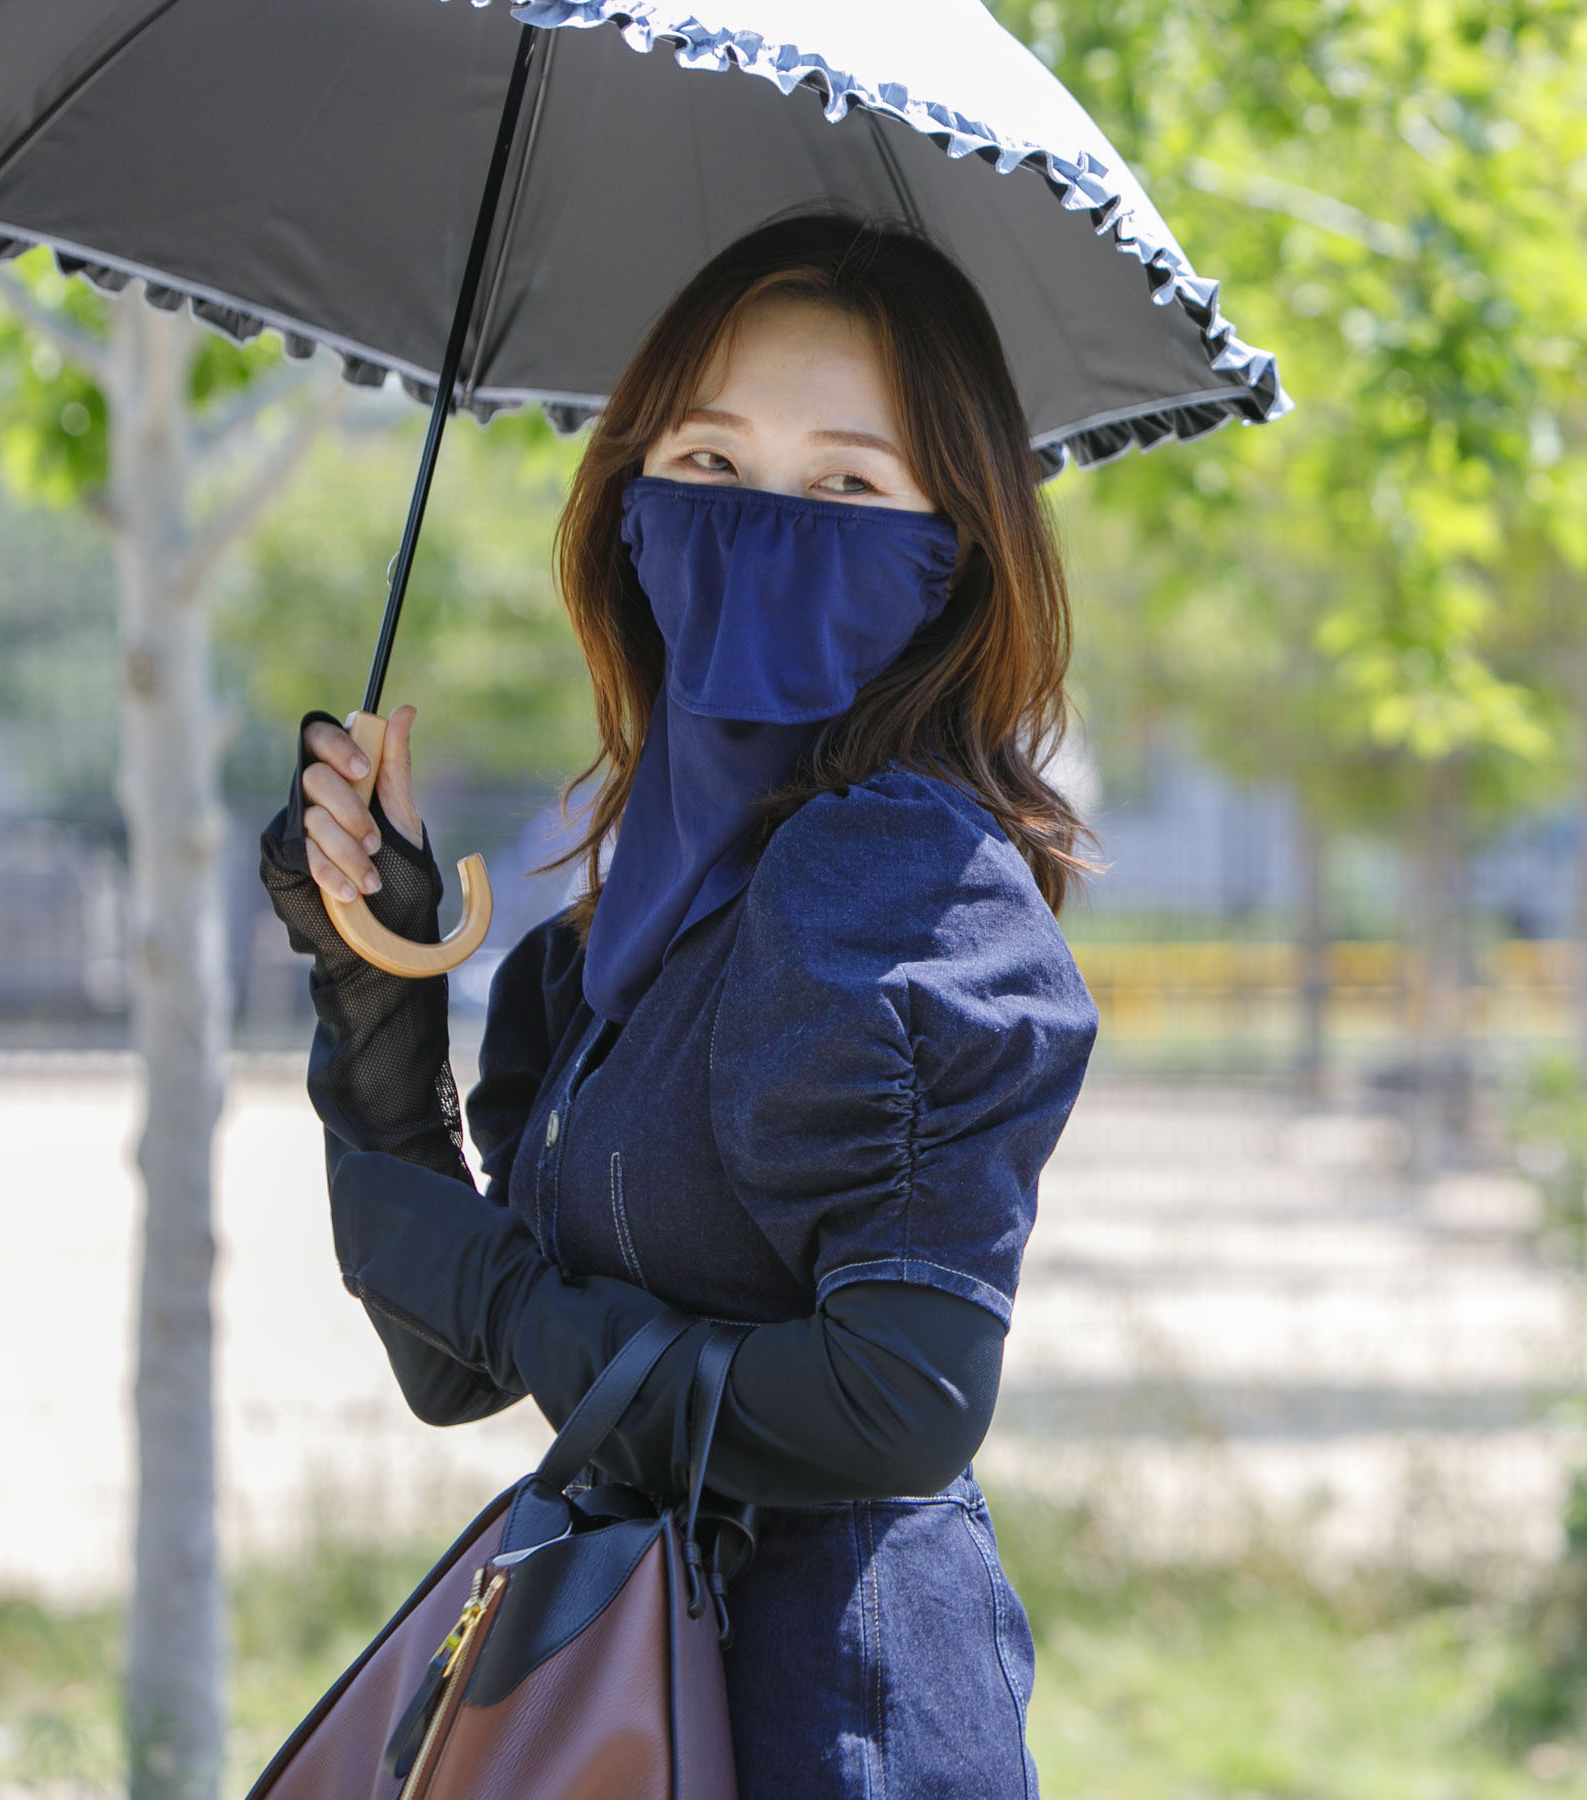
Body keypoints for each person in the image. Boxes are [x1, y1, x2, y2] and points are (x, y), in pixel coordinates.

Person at [260, 215, 1097, 1797]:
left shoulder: (891, 878)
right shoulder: (617, 925)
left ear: (950, 557)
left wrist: (516, 1304)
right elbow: (458, 1370)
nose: (763, 525)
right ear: (631, 510)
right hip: (621, 1684)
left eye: (846, 486)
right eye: (708, 463)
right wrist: (375, 983)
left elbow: (899, 1405)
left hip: (828, 1720)